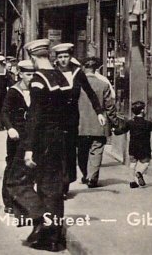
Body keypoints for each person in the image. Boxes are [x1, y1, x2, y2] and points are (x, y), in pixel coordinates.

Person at [9, 39, 105, 252]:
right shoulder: (64, 78)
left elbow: (35, 117)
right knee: (51, 187)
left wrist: (29, 149)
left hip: (41, 139)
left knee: (15, 181)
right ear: (49, 56)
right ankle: (52, 239)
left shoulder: (38, 80)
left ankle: (41, 217)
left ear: (33, 57)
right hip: (61, 138)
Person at [52, 43, 102, 196]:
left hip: (72, 119)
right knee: (56, 152)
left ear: (70, 57)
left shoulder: (78, 73)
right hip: (54, 119)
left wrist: (99, 112)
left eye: (66, 56)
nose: (63, 60)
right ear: (56, 59)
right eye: (60, 57)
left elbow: (90, 92)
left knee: (69, 152)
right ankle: (57, 184)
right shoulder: (52, 73)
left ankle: (65, 184)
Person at [78, 57, 118, 188]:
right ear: (96, 69)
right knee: (96, 151)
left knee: (82, 151)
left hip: (80, 125)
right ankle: (92, 178)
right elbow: (110, 106)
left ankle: (85, 174)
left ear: (84, 68)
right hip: (99, 124)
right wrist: (115, 121)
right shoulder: (104, 85)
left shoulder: (77, 85)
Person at [2, 59, 33, 214]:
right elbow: (5, 112)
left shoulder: (37, 90)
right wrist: (10, 128)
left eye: (33, 73)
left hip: (31, 135)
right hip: (16, 134)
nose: (31, 77)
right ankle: (8, 201)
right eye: (28, 74)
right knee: (12, 166)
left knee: (29, 168)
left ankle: (24, 200)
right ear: (21, 74)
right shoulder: (14, 91)